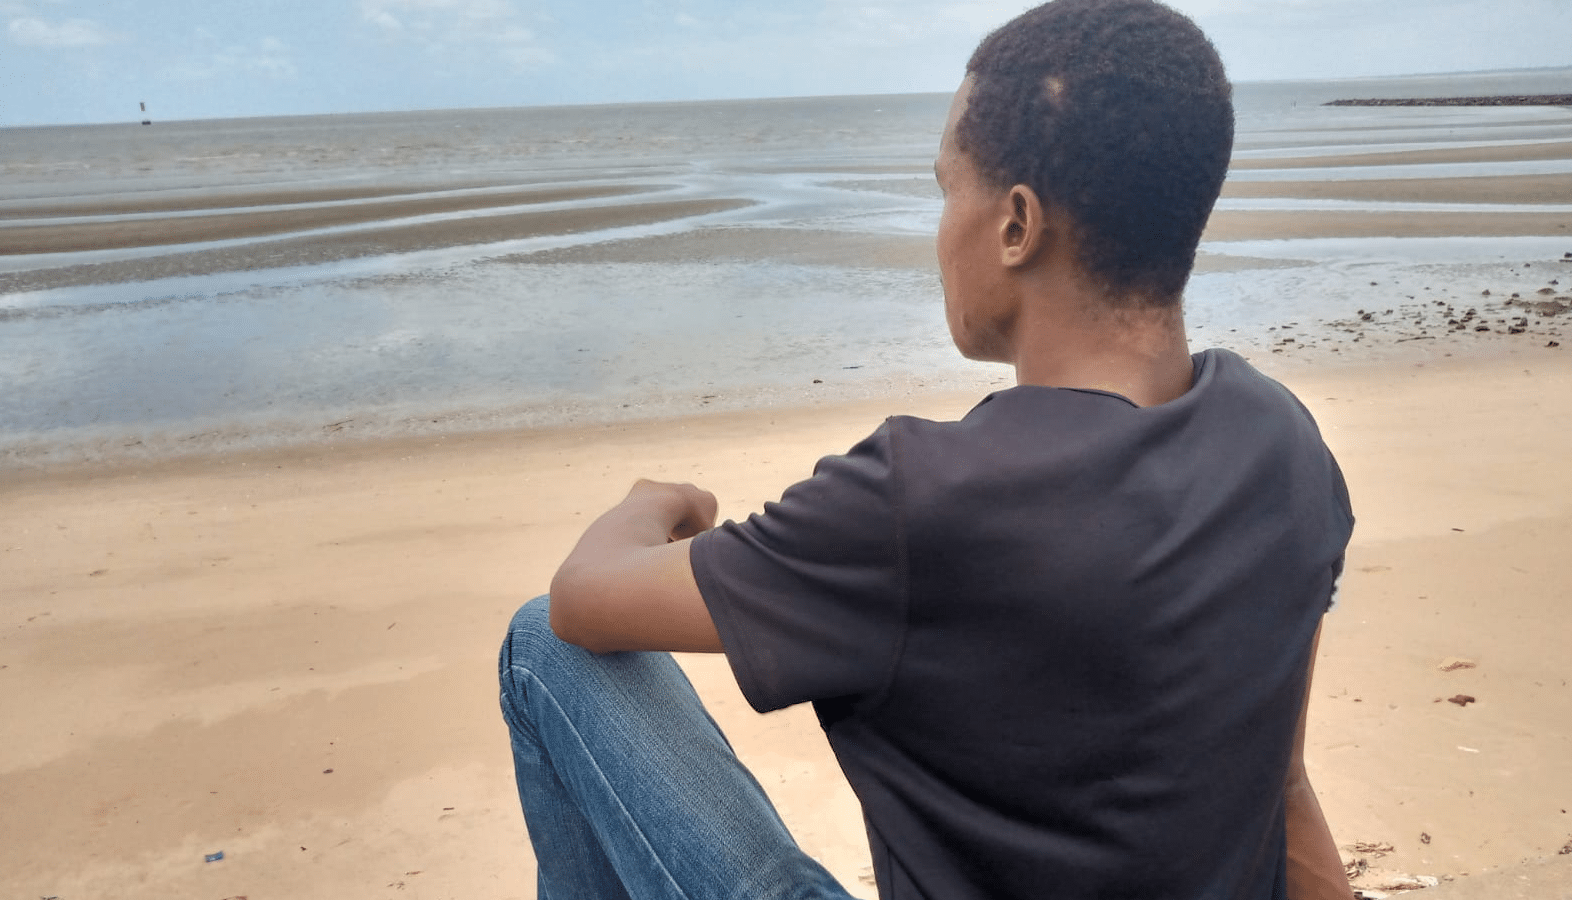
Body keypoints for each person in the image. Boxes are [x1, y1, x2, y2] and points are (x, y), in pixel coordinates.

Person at [498, 1, 1356, 897]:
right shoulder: (1281, 442)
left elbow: (581, 600)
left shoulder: (924, 500)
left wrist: (655, 501)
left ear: (1017, 225)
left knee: (537, 650)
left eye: (947, 188)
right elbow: (1283, 784)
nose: (940, 230)